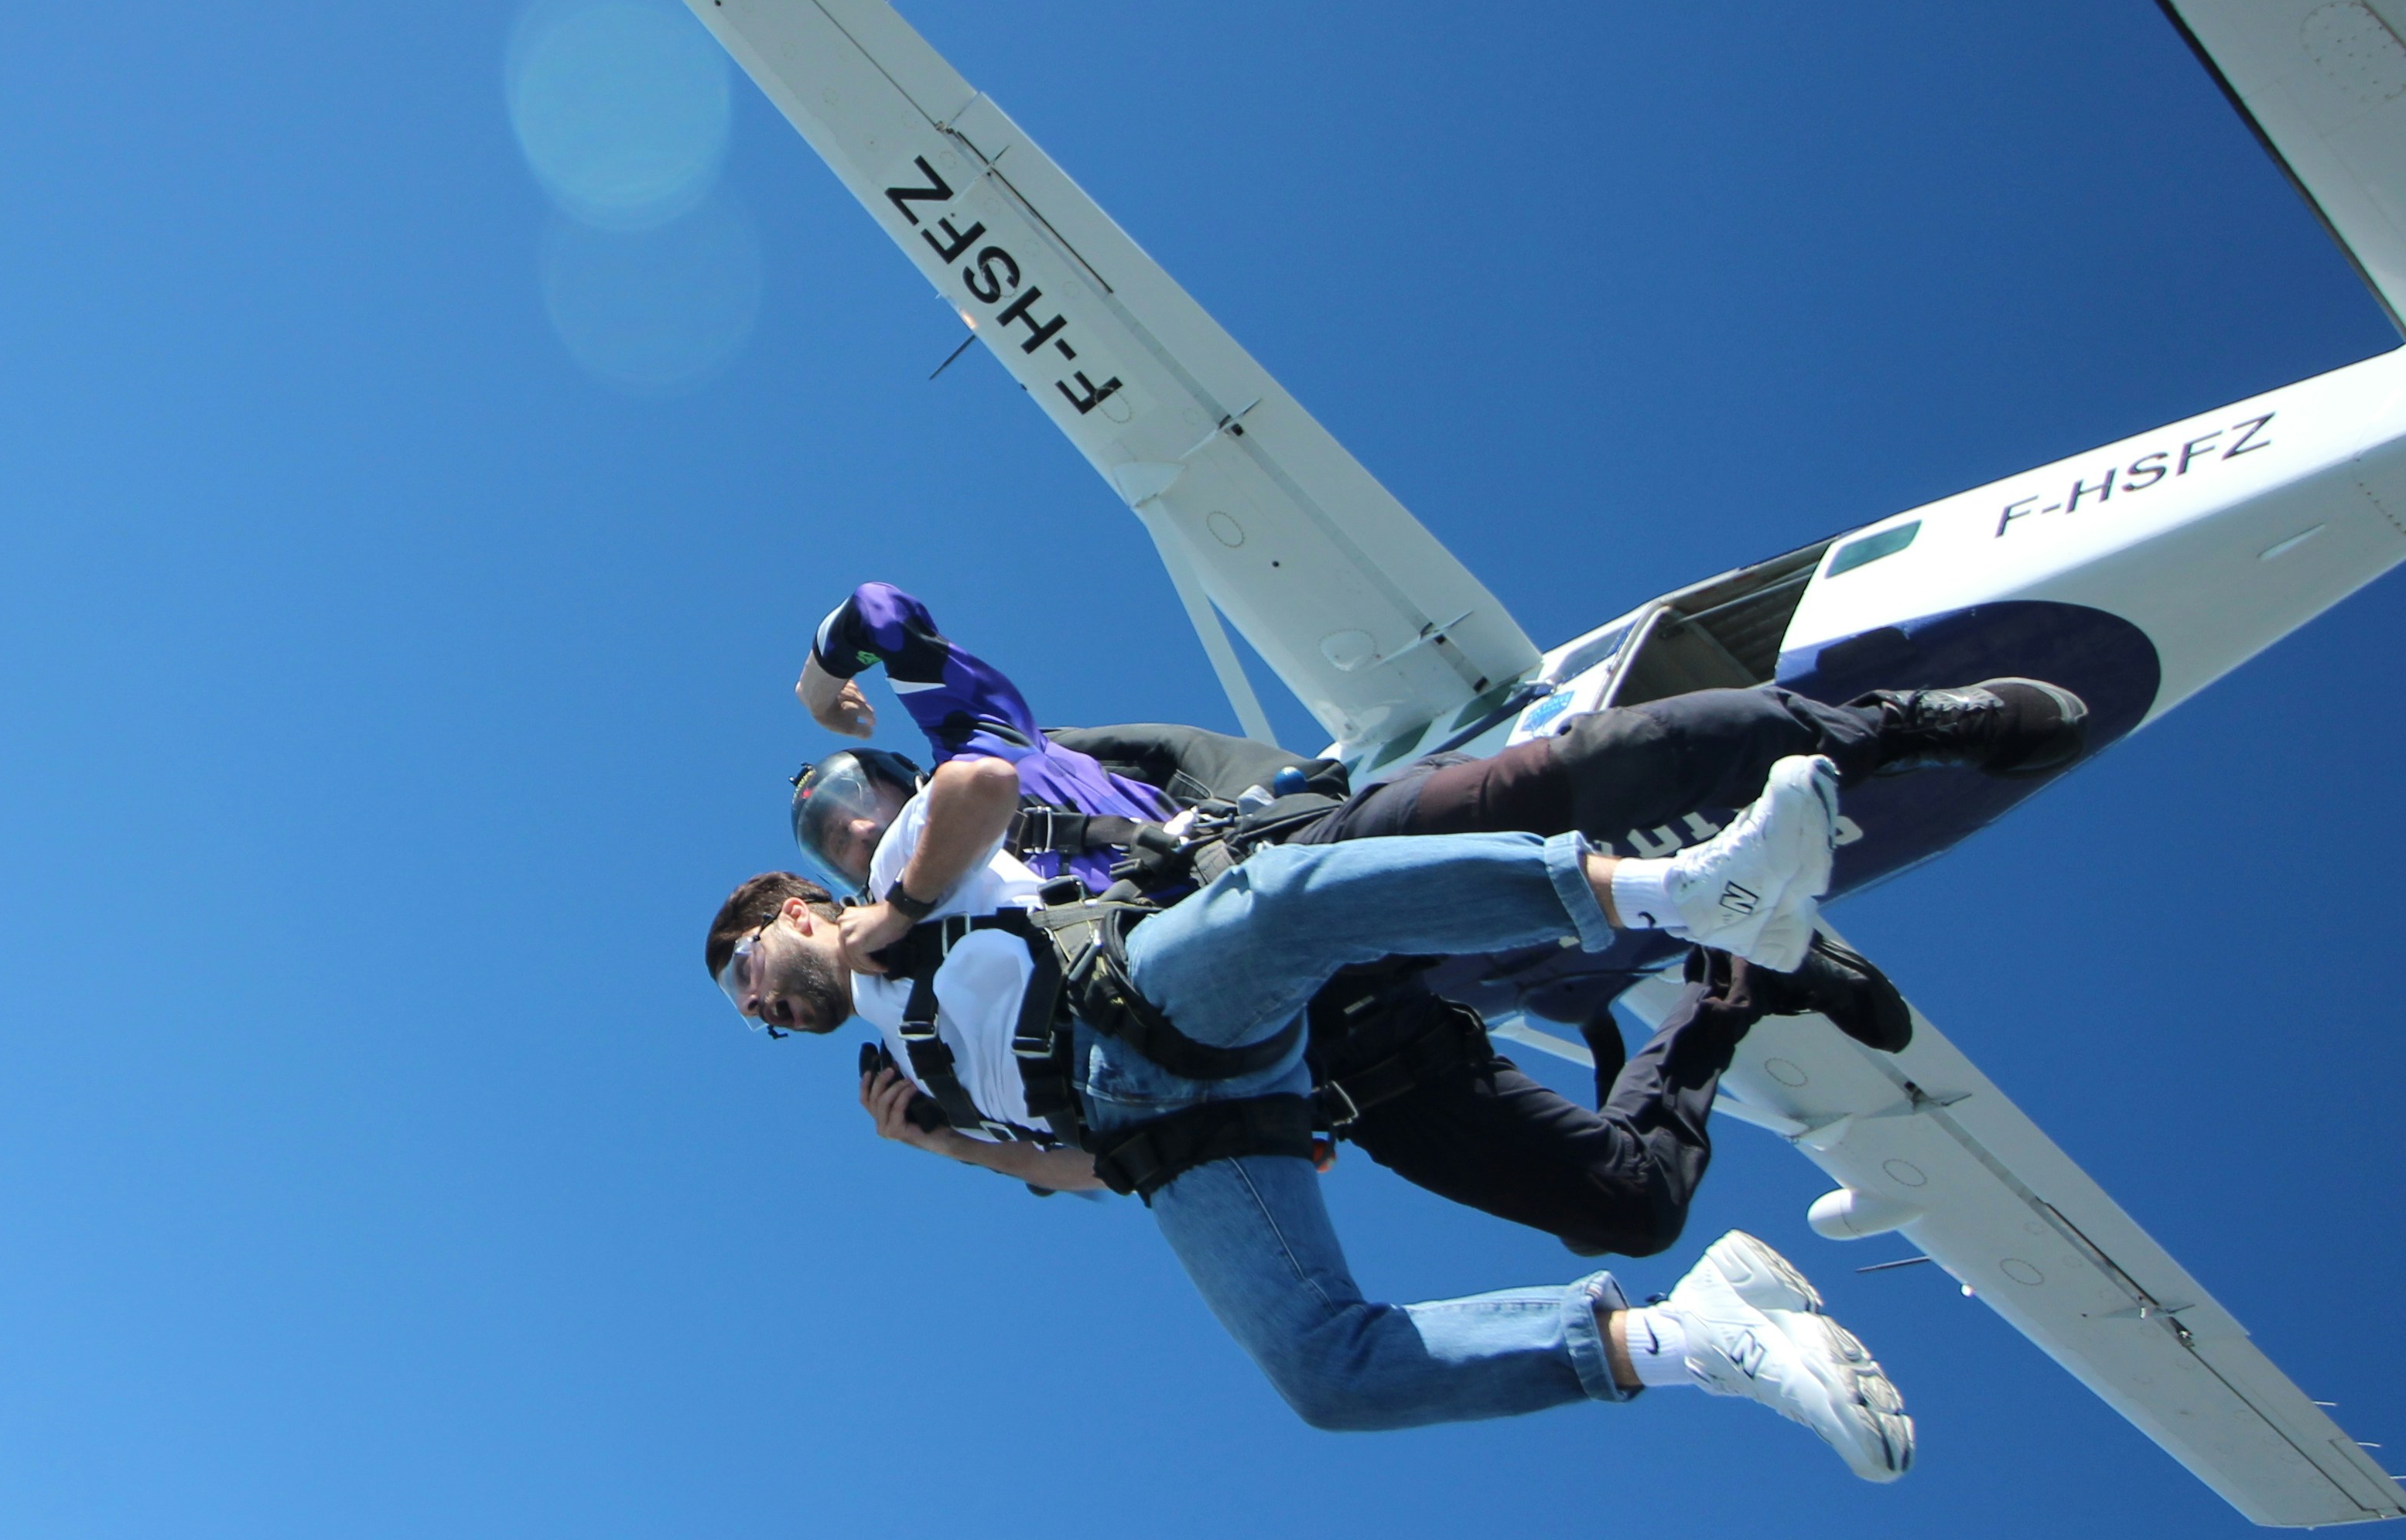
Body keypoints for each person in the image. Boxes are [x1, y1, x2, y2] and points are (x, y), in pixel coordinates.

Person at [705, 763, 1918, 1478]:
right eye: (748, 1014)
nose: (760, 1006)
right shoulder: (921, 1075)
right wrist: (947, 1144)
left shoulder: (893, 884)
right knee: (1322, 1375)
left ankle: (1689, 891)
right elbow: (1088, 1173)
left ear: (795, 909)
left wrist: (896, 908)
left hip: (1143, 993)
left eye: (745, 971)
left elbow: (984, 783)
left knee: (1279, 907)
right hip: (1180, 1140)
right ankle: (1696, 1338)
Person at [785, 586, 2073, 1259]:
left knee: (1566, 777)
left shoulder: (996, 756)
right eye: (821, 829)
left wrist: (823, 671)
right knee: (1623, 1209)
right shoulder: (922, 1008)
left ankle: (1898, 727)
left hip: (1282, 883)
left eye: (850, 794)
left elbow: (887, 610)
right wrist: (959, 1148)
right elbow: (1114, 1163)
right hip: (1319, 1052)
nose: (849, 824)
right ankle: (1736, 984)